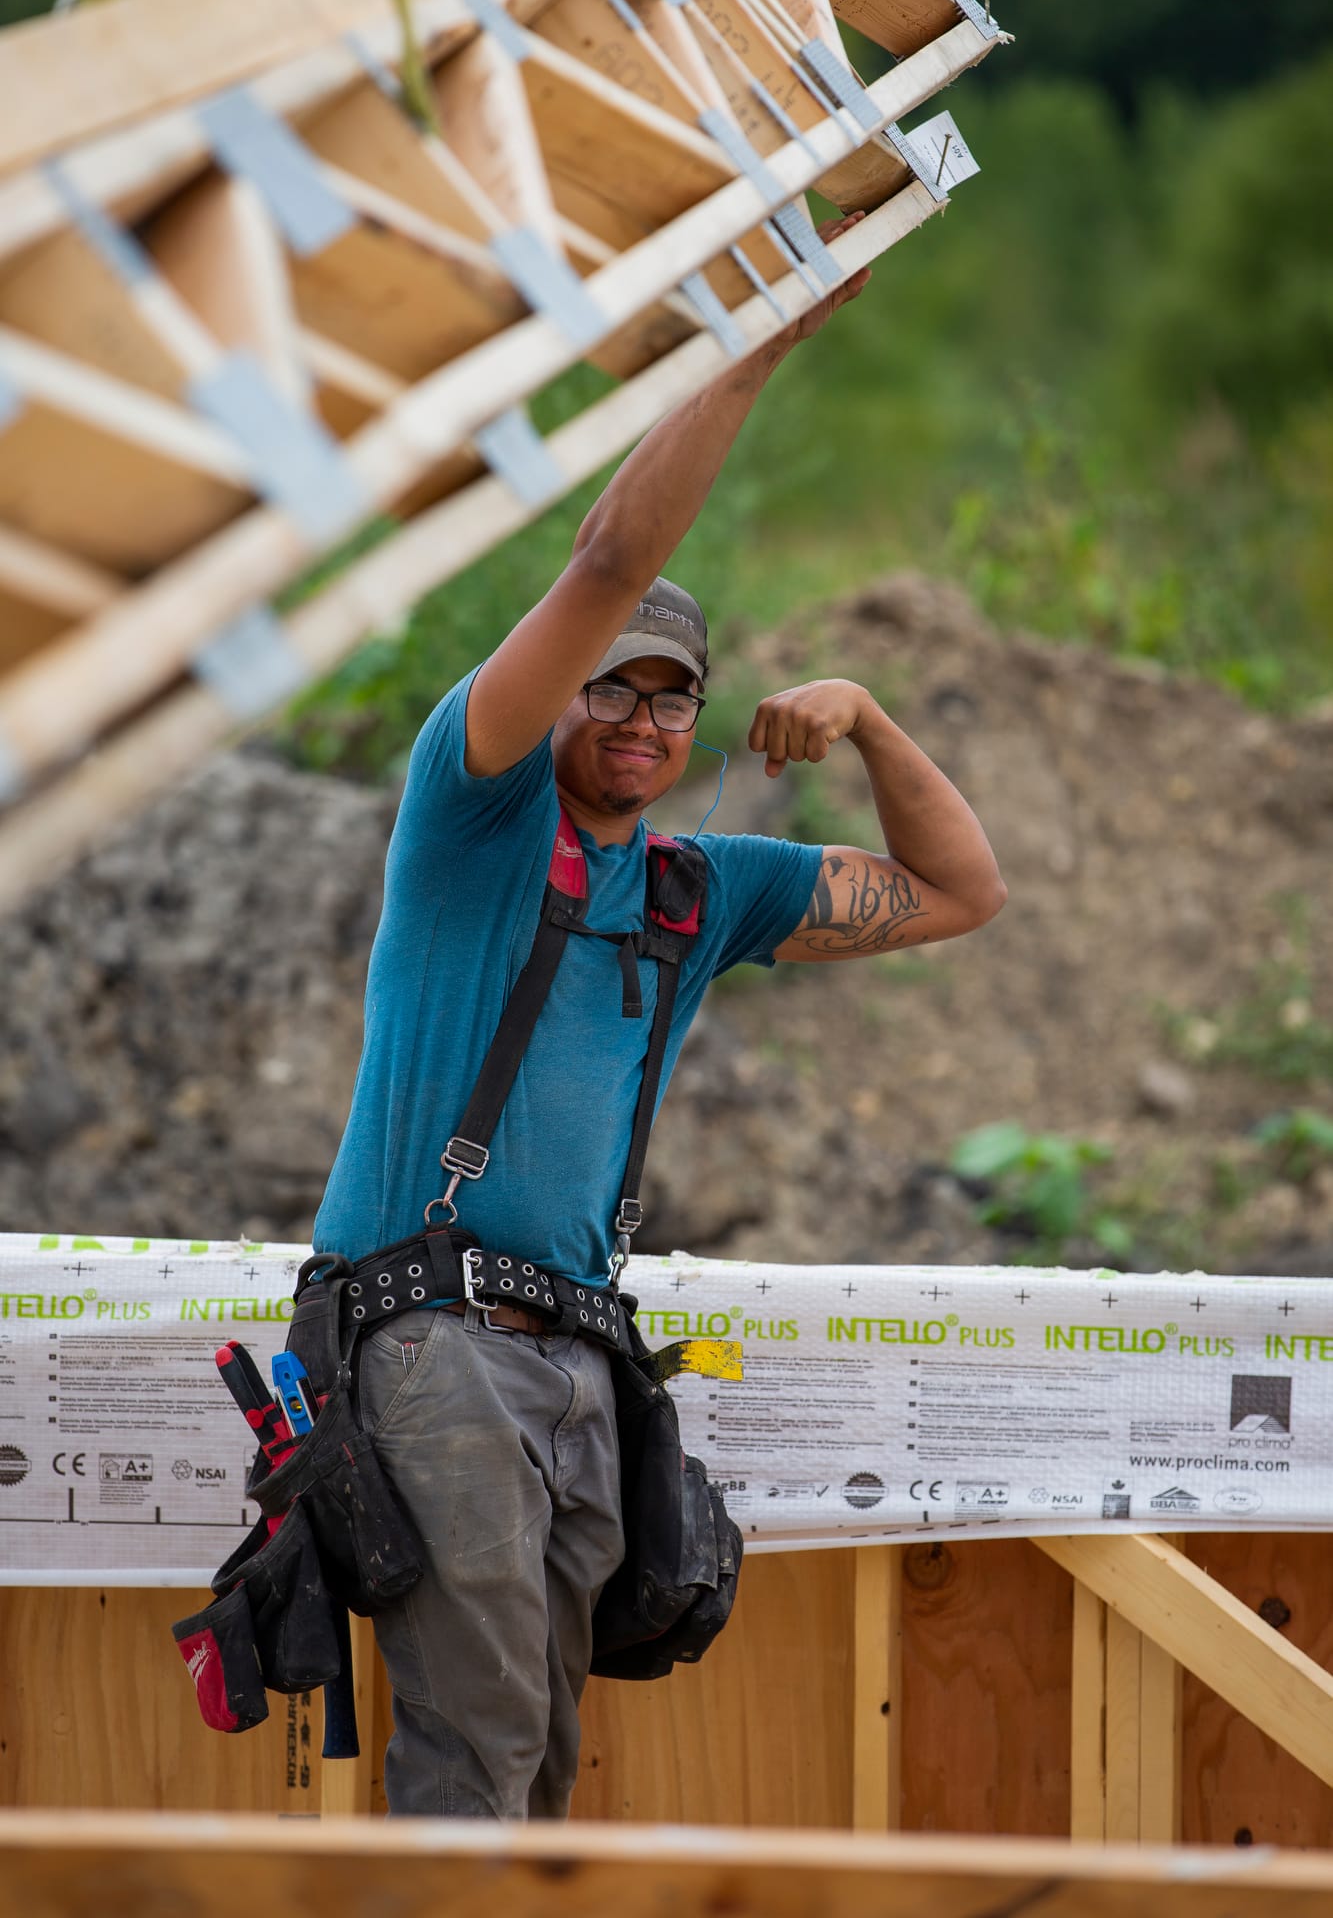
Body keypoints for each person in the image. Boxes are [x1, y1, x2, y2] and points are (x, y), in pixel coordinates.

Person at [310, 217, 1007, 1819]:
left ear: (698, 716)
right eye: (607, 686)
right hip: (432, 1342)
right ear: (551, 695)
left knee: (538, 1760)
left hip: (572, 1361)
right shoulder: (473, 811)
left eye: (667, 694)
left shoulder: (699, 891)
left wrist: (872, 716)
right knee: (477, 1754)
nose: (635, 714)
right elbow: (607, 564)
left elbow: (959, 891)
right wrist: (754, 343)